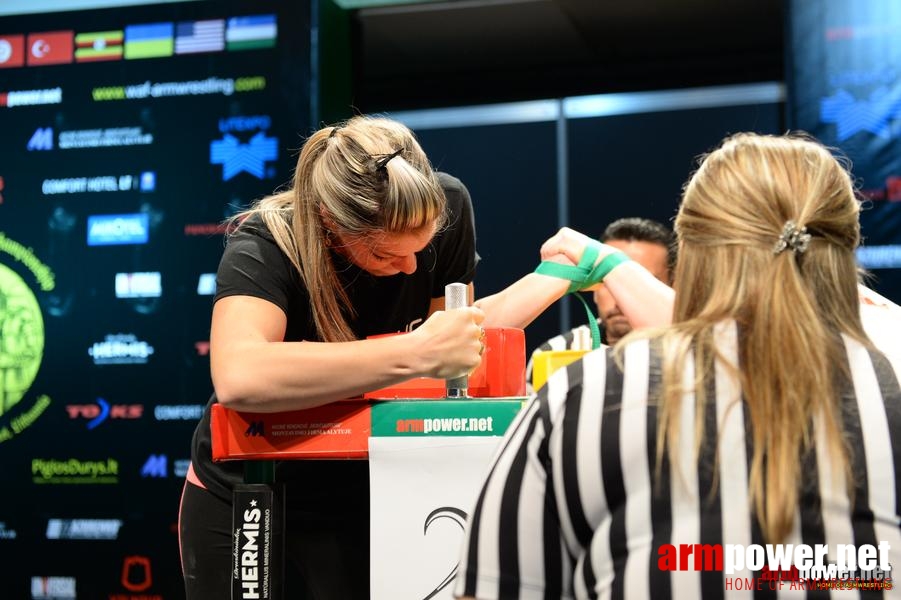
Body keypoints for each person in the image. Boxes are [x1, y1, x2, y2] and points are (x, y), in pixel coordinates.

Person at [455, 132, 901, 599]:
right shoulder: (885, 377)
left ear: (688, 255)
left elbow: (492, 589)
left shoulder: (582, 396)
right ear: (845, 242)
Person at [178, 115, 598, 599]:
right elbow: (240, 374)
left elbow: (455, 341)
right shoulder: (267, 243)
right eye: (385, 256)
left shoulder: (450, 205)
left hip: (371, 486)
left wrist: (555, 274)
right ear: (333, 227)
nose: (412, 267)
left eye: (422, 247)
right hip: (252, 496)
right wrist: (416, 351)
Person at [525, 217, 674, 389]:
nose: (620, 299)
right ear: (592, 288)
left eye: (638, 284)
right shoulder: (553, 355)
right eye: (607, 279)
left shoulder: (694, 358)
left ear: (672, 286)